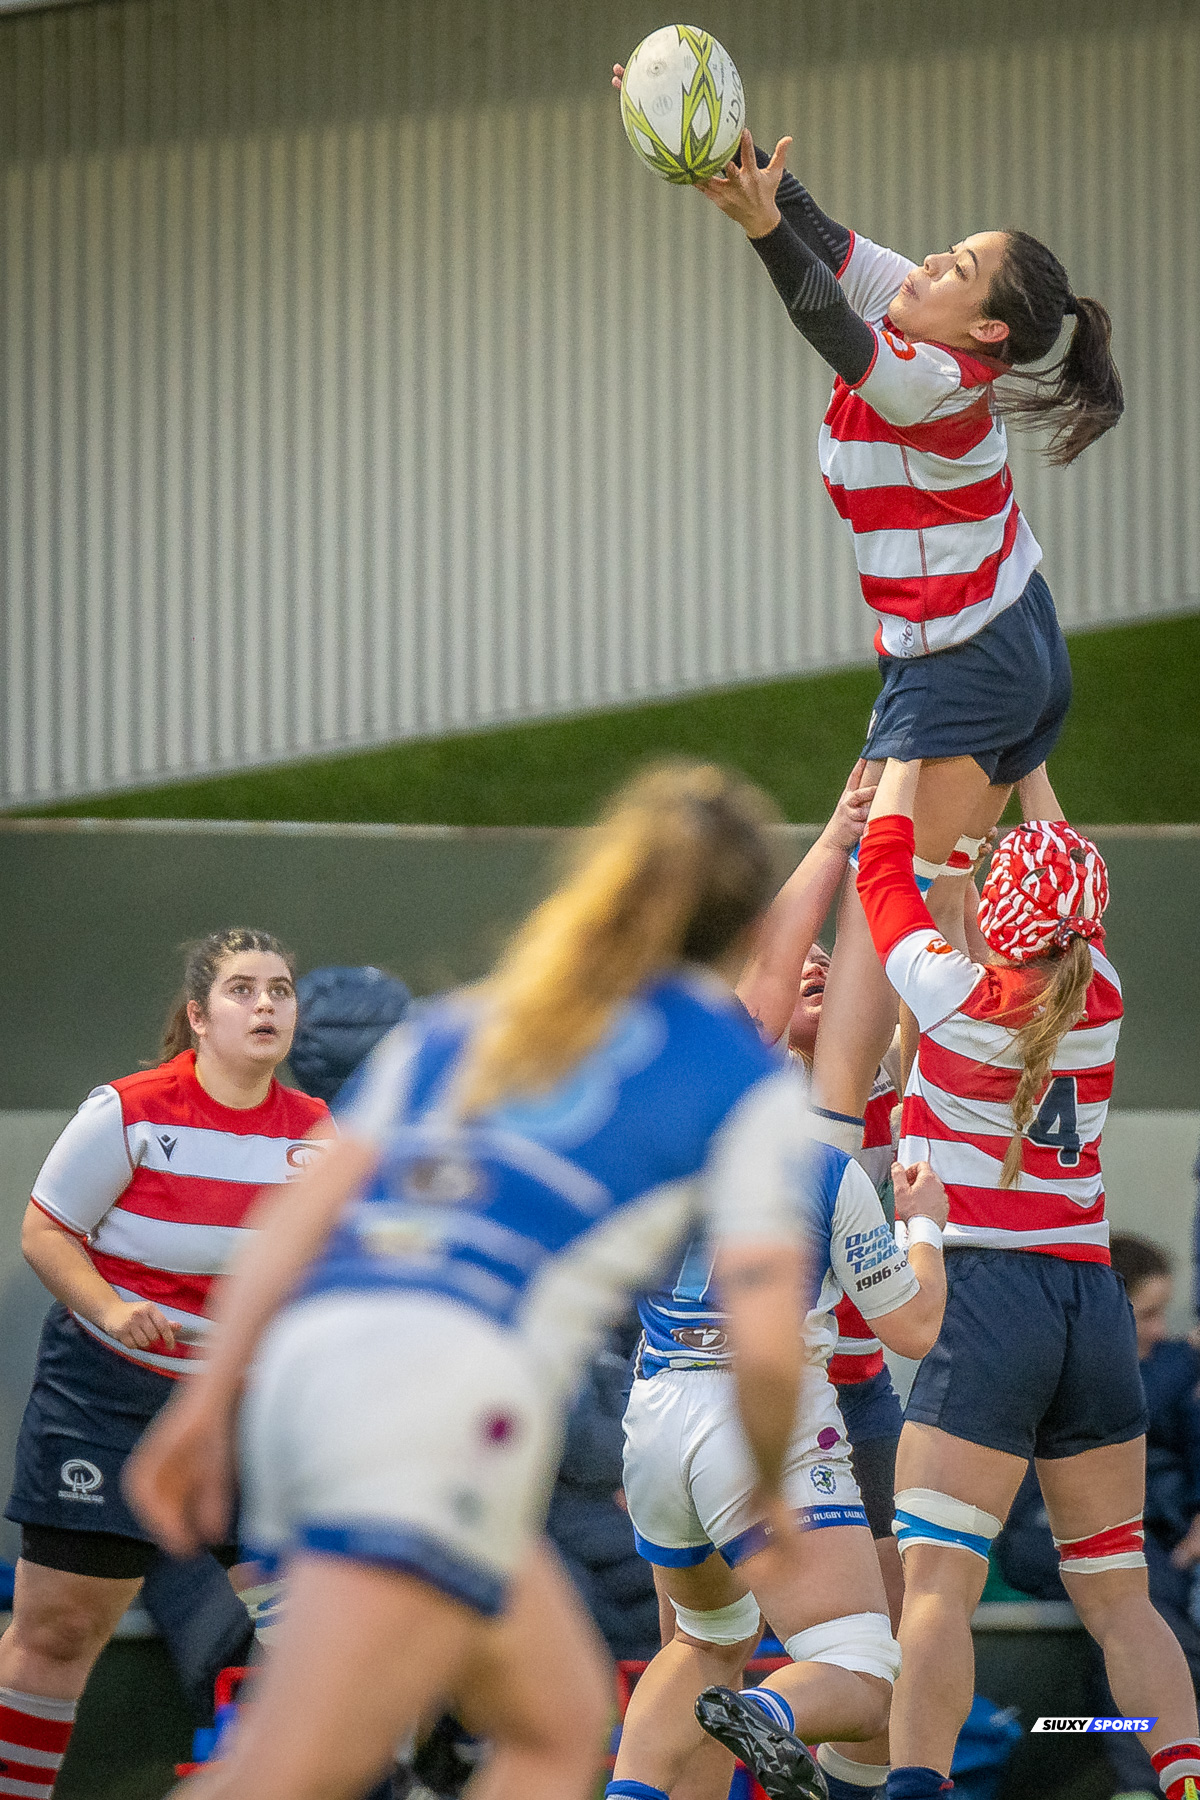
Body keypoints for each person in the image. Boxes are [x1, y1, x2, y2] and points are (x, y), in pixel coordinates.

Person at [124, 761, 820, 1800]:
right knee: (293, 1769)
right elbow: (764, 1339)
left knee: (555, 1719)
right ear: (743, 924)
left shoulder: (470, 1019)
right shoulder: (743, 1076)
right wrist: (767, 1485)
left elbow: (299, 1218)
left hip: (314, 1371)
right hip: (442, 1399)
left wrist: (208, 1398)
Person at [613, 66, 1124, 1157]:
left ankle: (832, 1150)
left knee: (875, 898)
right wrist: (705, 129)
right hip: (1005, 641)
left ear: (985, 331)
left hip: (967, 663)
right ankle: (914, 1123)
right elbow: (822, 235)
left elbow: (826, 322)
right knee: (931, 899)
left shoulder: (940, 384)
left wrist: (757, 232)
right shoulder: (927, 310)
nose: (934, 259)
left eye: (961, 265)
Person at [853, 758, 1200, 1800]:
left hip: (988, 1297)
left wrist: (903, 773)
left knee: (936, 1592)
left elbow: (882, 876)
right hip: (1088, 1303)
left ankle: (917, 1788)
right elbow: (1065, 885)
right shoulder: (1102, 998)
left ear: (1002, 916)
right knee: (1122, 1598)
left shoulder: (954, 997)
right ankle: (1182, 1777)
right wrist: (1037, 766)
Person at [0, 928, 331, 1799]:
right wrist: (111, 1308)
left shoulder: (318, 1136)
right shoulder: (128, 1110)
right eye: (243, 990)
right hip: (107, 1394)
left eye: (282, 991)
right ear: (197, 1016)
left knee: (315, 1640)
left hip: (245, 1410)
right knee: (61, 1632)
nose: (267, 1005)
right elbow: (46, 1232)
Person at [996, 1235, 1200, 1800]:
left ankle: (1149, 1771)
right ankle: (1146, 1779)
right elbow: (1131, 1398)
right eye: (1150, 1313)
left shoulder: (1169, 1366)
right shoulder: (1066, 1361)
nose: (1161, 1331)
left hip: (1133, 1546)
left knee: (1140, 1612)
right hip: (1045, 1540)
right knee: (1141, 1611)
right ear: (1110, 1310)